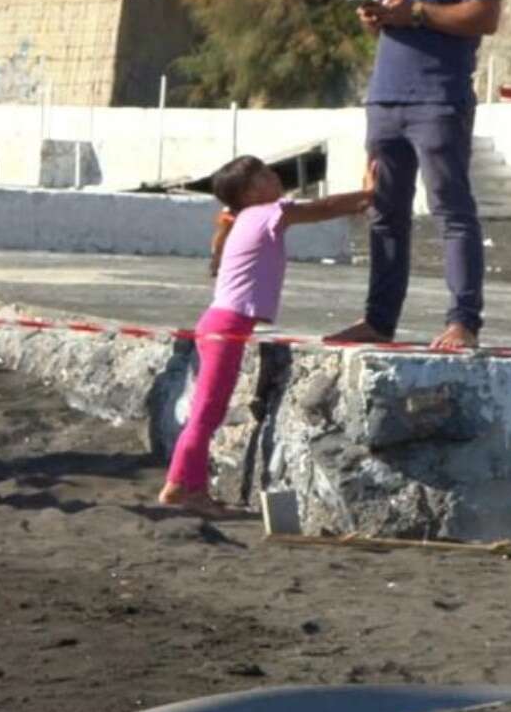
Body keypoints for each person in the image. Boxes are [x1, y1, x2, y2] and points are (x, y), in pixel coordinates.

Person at [328, 0, 503, 353]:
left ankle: (463, 322)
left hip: (437, 100)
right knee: (384, 213)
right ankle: (379, 320)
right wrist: (375, 20)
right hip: (385, 99)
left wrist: (419, 13)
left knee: (452, 211)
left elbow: (485, 15)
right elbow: (393, 15)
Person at [161, 156, 376, 516]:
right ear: (251, 192)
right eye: (263, 174)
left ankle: (180, 484)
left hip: (221, 326)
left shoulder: (248, 218)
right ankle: (186, 488)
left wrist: (362, 198)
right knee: (206, 415)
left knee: (206, 412)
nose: (273, 176)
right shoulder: (264, 213)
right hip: (225, 328)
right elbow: (322, 207)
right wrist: (370, 193)